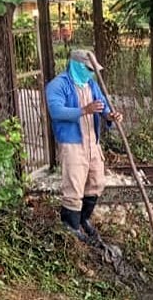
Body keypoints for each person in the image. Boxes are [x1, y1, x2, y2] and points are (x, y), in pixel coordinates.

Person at [46, 49, 122, 242]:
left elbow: (102, 105)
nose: (91, 73)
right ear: (78, 66)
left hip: (92, 142)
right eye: (89, 69)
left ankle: (83, 220)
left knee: (96, 182)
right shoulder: (58, 85)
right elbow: (56, 111)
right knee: (74, 186)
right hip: (73, 143)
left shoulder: (91, 85)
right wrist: (84, 110)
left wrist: (110, 116)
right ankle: (70, 227)